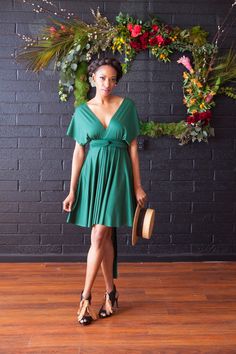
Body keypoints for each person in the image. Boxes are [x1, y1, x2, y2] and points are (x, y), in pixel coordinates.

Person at [63, 57, 147, 326]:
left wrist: (137, 185)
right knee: (104, 236)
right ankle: (111, 293)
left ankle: (85, 297)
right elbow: (78, 152)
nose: (108, 83)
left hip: (119, 175)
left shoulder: (127, 106)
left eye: (112, 79)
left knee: (99, 234)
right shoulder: (82, 111)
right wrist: (72, 190)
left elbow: (133, 148)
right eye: (102, 78)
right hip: (93, 175)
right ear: (92, 79)